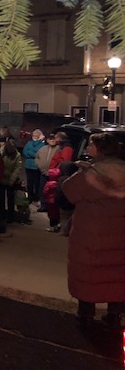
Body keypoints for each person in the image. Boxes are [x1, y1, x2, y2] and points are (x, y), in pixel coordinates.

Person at [62, 132, 125, 329]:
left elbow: (68, 191)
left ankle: (86, 313)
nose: (88, 148)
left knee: (88, 271)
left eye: (91, 145)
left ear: (100, 149)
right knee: (116, 272)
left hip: (91, 233)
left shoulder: (90, 175)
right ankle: (114, 314)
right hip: (119, 233)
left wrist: (81, 171)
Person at [0, 140, 23, 225]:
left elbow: (17, 169)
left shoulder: (17, 155)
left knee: (10, 199)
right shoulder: (1, 152)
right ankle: (2, 214)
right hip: (1, 179)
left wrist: (12, 180)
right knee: (1, 198)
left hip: (10, 180)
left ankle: (10, 216)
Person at [22, 129, 45, 207]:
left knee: (36, 183)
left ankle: (35, 198)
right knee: (30, 183)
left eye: (36, 136)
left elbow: (38, 154)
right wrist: (34, 154)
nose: (34, 137)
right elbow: (24, 152)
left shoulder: (41, 144)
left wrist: (30, 153)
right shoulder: (30, 143)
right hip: (30, 166)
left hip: (35, 166)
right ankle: (31, 197)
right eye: (33, 135)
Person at [35, 133, 58, 212]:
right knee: (42, 189)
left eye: (54, 139)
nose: (52, 141)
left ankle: (51, 206)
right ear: (47, 140)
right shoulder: (43, 149)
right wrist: (40, 166)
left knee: (52, 191)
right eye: (51, 139)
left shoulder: (58, 149)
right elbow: (37, 158)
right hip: (43, 173)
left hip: (53, 174)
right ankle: (43, 204)